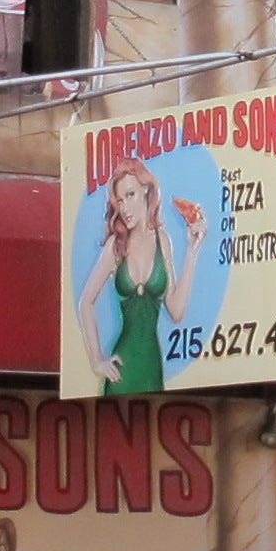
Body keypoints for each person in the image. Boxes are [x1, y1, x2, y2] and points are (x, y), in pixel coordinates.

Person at [75, 158, 211, 395]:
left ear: (146, 190)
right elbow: (85, 302)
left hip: (151, 368)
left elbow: (176, 312)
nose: (124, 208)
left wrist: (192, 251)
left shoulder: (163, 240)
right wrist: (97, 359)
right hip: (121, 371)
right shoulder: (115, 246)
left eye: (130, 195)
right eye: (119, 200)